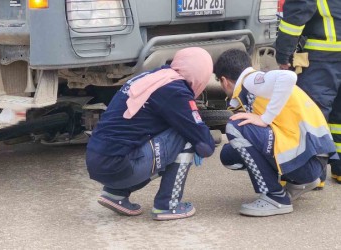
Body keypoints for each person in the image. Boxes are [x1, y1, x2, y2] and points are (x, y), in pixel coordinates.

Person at [86, 47, 215, 221]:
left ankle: (116, 194)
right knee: (187, 137)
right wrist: (200, 139)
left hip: (98, 161)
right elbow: (205, 146)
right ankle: (168, 205)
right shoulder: (175, 91)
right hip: (119, 166)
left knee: (168, 131)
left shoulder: (154, 77)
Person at [215, 49, 337, 217]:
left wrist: (265, 119)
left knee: (235, 126)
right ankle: (299, 183)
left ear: (223, 81)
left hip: (307, 163)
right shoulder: (257, 86)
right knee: (229, 153)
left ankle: (275, 197)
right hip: (313, 161)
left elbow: (289, 77)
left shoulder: (251, 80)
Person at [275, 0, 341, 189]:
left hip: (322, 55)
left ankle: (313, 174)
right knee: (339, 116)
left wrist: (283, 53)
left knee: (313, 114)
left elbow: (296, 15)